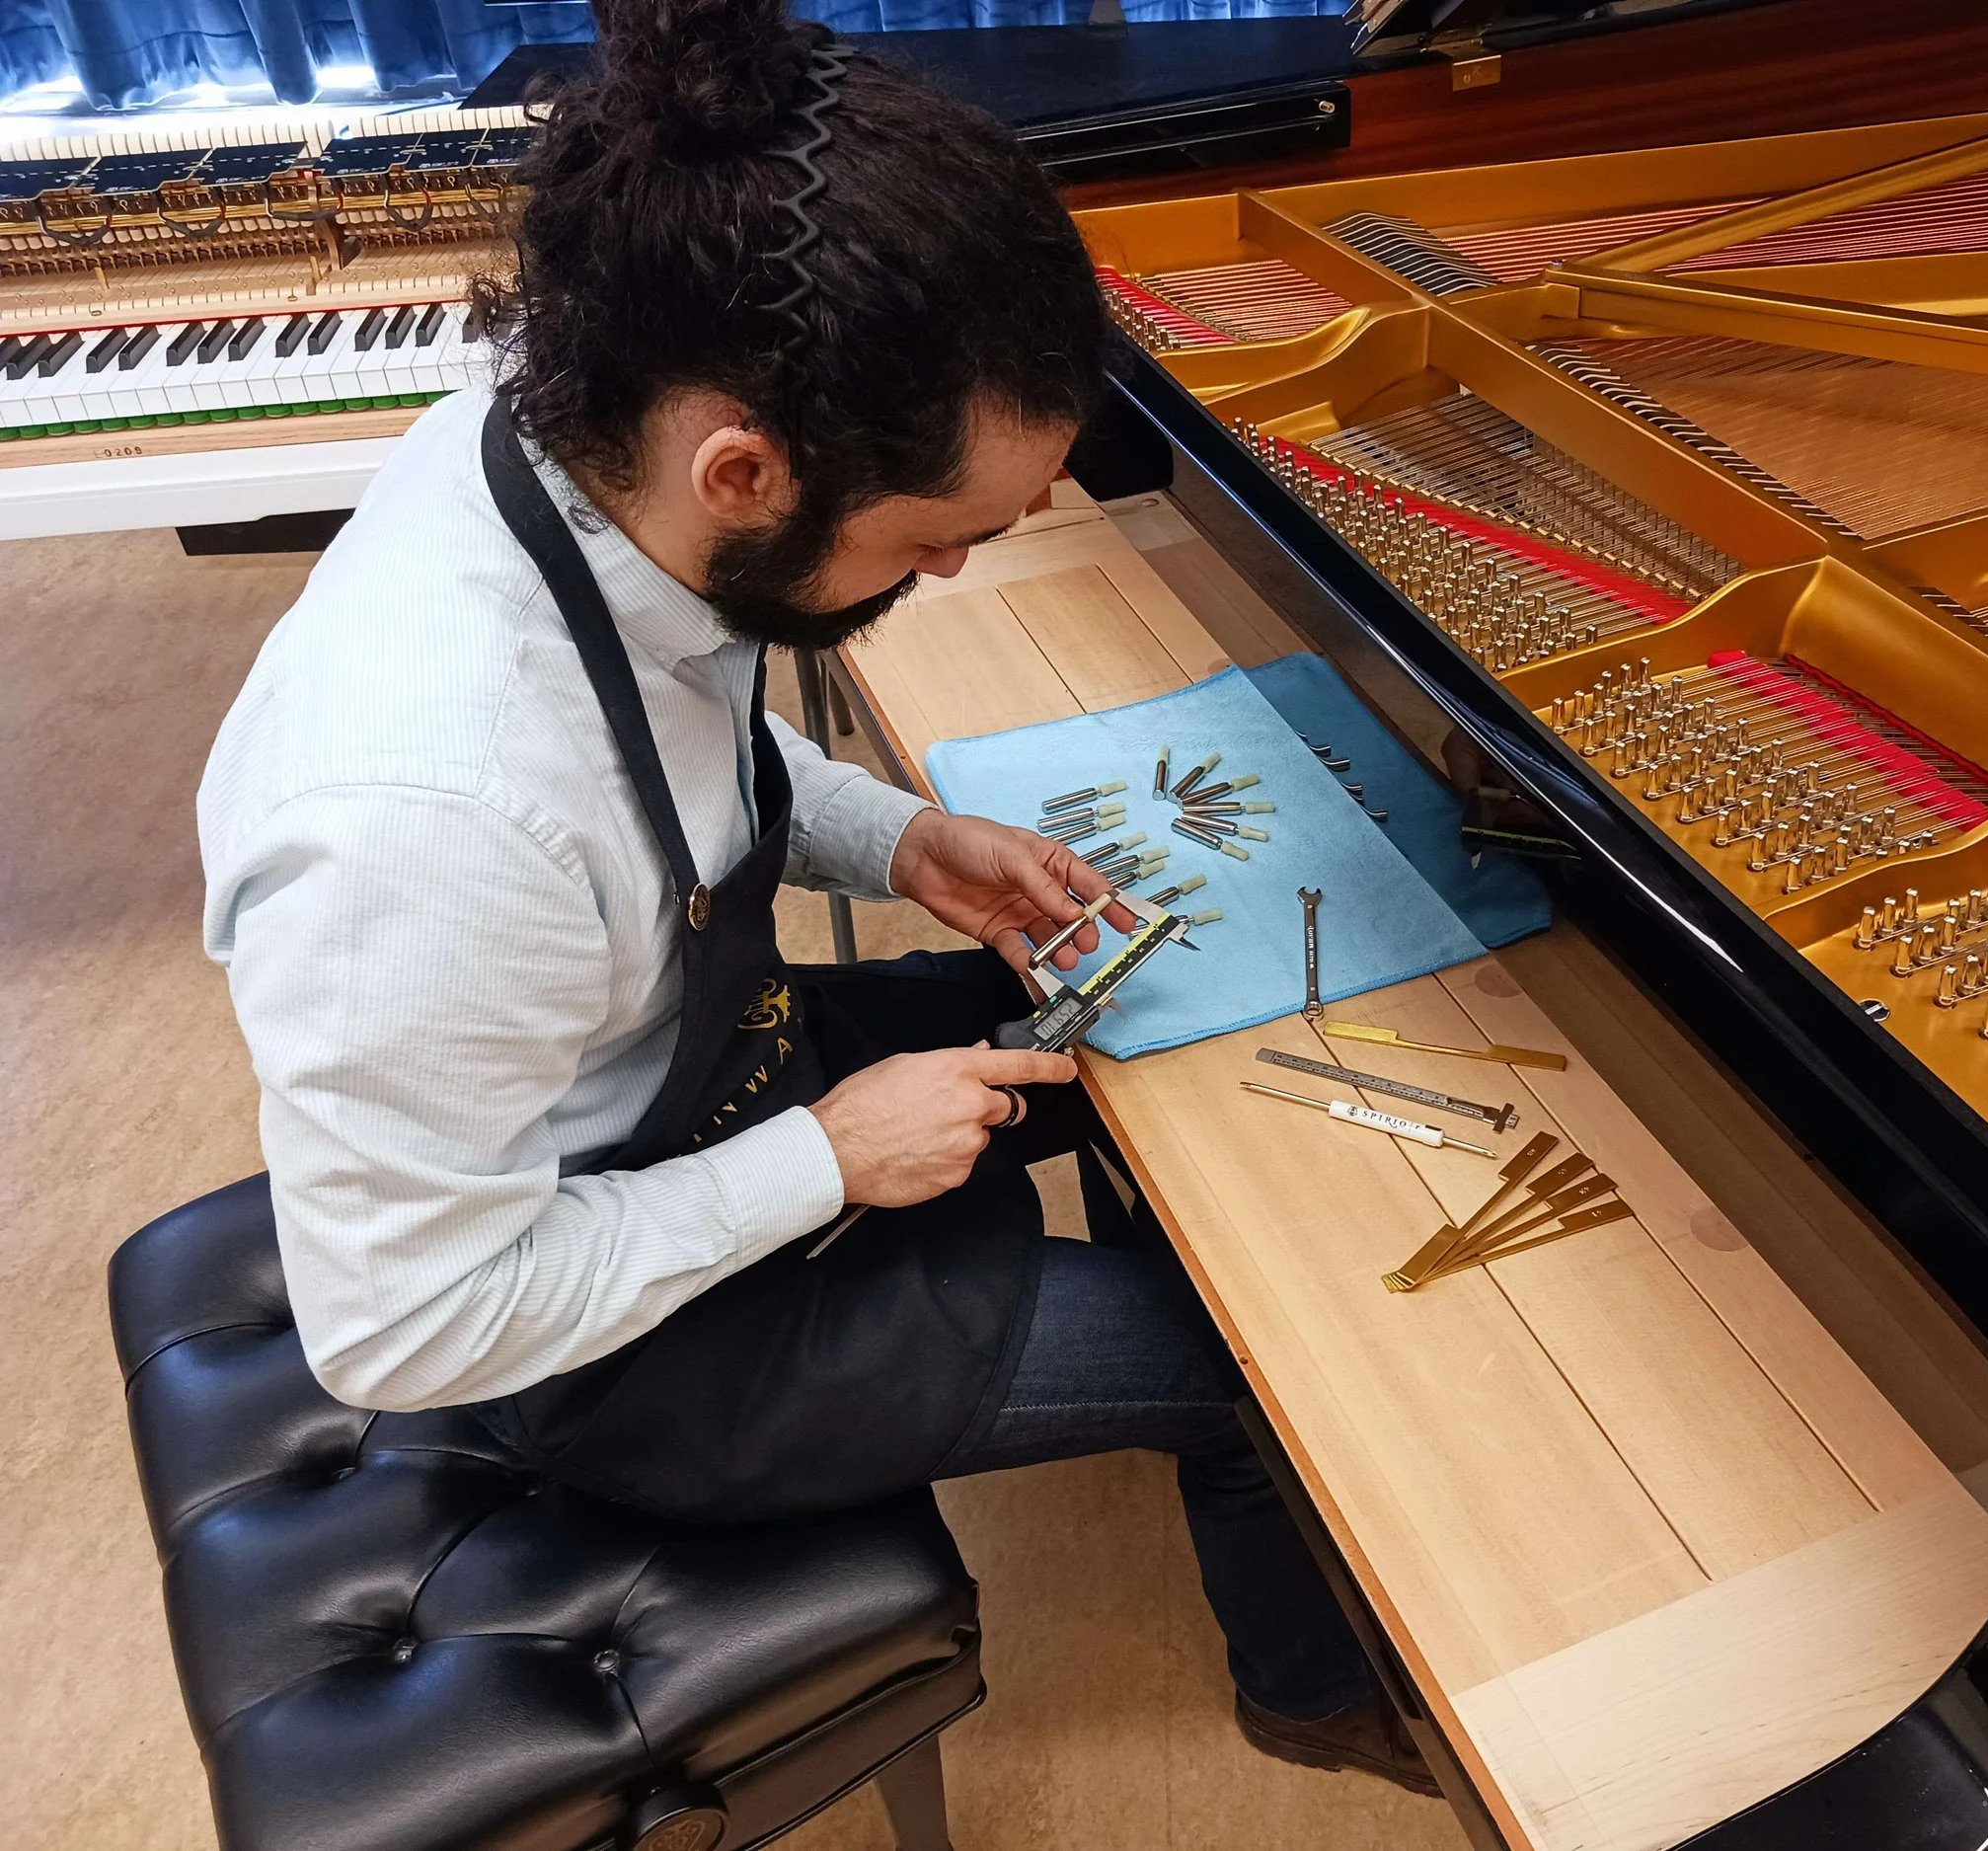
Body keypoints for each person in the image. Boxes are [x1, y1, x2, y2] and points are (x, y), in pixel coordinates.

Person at [195, 0, 1435, 1797]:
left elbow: (684, 747)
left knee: (1146, 1022)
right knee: (1275, 1367)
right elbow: (407, 1326)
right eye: (933, 540)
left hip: (689, 1081)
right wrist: (829, 1163)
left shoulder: (578, 453)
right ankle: (1307, 1690)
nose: (941, 576)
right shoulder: (427, 822)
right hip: (607, 1335)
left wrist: (899, 842)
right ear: (746, 468)